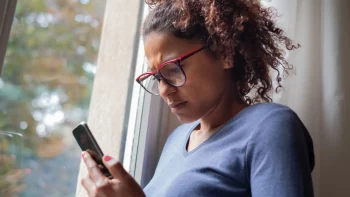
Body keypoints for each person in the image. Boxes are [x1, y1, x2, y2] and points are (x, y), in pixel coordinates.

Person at [80, 0, 315, 196]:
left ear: (224, 54)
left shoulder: (269, 127)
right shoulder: (176, 140)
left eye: (172, 70)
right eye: (157, 77)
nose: (164, 90)